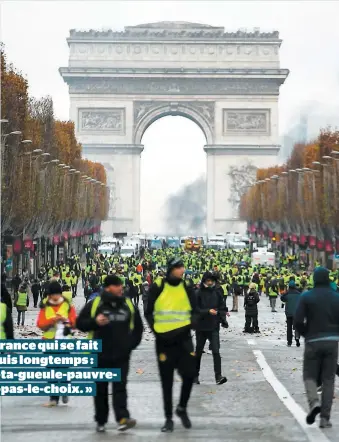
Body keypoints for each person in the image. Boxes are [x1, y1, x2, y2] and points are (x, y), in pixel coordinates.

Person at [77, 275, 143, 433]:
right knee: (101, 389)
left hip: (121, 356)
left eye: (121, 285)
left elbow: (138, 328)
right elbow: (80, 323)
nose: (121, 288)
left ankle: (122, 418)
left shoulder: (128, 304)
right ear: (108, 288)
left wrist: (129, 346)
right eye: (117, 285)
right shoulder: (95, 305)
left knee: (120, 388)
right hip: (99, 354)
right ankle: (101, 420)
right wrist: (94, 322)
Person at [145, 257, 197, 433]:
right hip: (164, 342)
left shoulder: (187, 286)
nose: (182, 270)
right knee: (166, 382)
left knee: (190, 374)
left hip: (184, 339)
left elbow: (195, 309)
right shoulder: (158, 286)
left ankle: (181, 407)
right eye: (178, 267)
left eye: (182, 267)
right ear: (171, 269)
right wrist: (156, 330)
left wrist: (191, 325)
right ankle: (168, 419)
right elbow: (148, 311)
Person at [294, 267, 339, 428]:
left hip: (313, 341)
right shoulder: (336, 297)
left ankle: (314, 402)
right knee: (328, 380)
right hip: (332, 341)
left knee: (309, 375)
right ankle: (325, 418)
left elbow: (297, 321)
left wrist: (307, 335)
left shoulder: (306, 296)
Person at [36, 281, 76, 407]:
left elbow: (75, 323)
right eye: (53, 294)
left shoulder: (68, 306)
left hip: (64, 342)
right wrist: (52, 320)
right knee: (51, 370)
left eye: (57, 294)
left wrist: (66, 320)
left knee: (64, 368)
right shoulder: (45, 307)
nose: (55, 297)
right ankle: (53, 398)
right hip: (49, 342)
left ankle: (64, 390)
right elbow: (40, 324)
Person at [194, 272, 228, 385]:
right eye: (207, 281)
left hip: (213, 326)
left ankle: (218, 376)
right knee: (198, 352)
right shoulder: (197, 293)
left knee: (216, 351)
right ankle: (195, 376)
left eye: (211, 281)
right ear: (204, 281)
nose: (209, 283)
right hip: (201, 327)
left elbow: (222, 307)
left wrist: (223, 314)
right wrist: (207, 311)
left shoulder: (217, 293)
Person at [281, 280, 301, 347]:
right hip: (297, 313)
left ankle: (289, 341)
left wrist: (286, 292)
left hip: (289, 313)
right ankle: (297, 338)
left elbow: (282, 298)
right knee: (297, 327)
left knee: (289, 328)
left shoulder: (287, 294)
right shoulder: (299, 294)